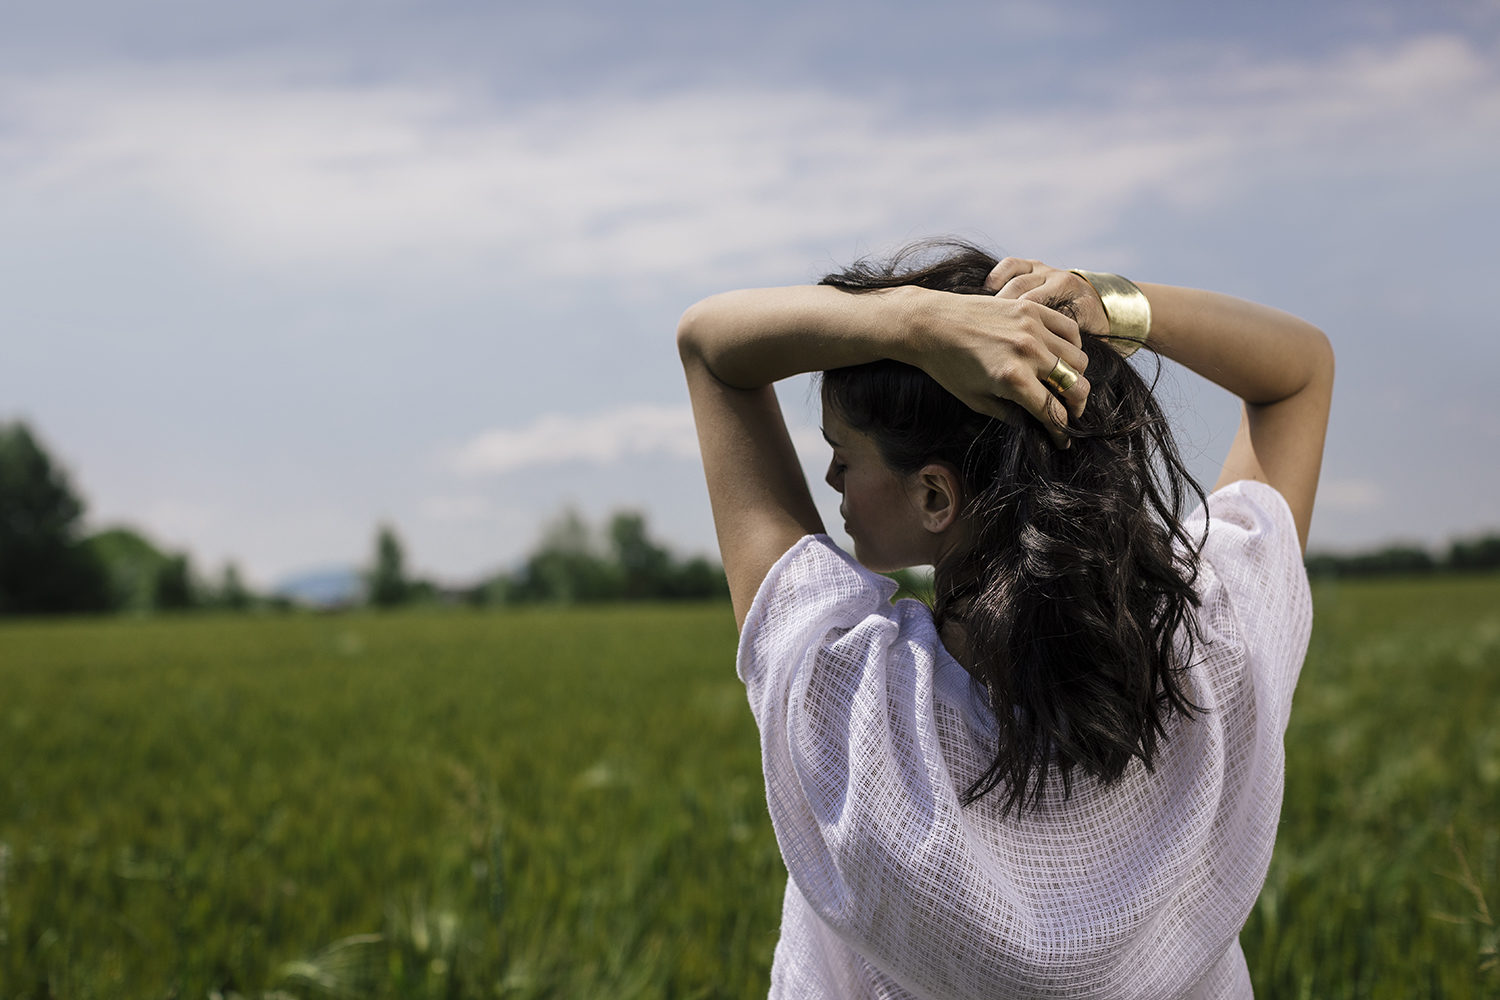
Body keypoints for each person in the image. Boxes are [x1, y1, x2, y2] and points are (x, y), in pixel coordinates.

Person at [677, 240, 1334, 999]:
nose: (830, 479)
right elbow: (1298, 374)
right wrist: (1107, 307)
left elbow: (710, 344)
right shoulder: (1207, 648)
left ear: (934, 497)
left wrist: (914, 323)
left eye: (844, 455)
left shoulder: (856, 707)